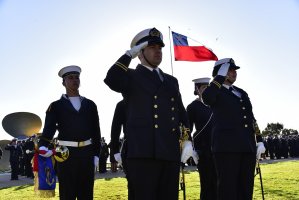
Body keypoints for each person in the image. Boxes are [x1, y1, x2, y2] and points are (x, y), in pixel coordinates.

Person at [104, 27, 193, 200]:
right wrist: (128, 54)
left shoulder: (171, 81)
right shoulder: (130, 76)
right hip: (142, 154)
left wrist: (188, 140)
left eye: (160, 48)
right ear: (140, 53)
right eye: (152, 47)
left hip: (169, 152)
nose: (158, 51)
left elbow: (181, 112)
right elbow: (111, 79)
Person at [202, 58, 266, 200]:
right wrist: (218, 77)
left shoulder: (241, 92)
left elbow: (251, 118)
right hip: (226, 149)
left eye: (234, 70)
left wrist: (259, 140)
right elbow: (207, 98)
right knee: (228, 190)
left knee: (246, 189)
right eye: (230, 70)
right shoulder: (214, 91)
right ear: (221, 73)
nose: (234, 73)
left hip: (247, 147)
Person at [39, 65, 101, 200]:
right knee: (68, 193)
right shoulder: (55, 106)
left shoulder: (90, 104)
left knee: (86, 194)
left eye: (77, 77)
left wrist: (96, 153)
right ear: (63, 82)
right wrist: (43, 145)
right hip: (65, 155)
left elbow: (96, 130)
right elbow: (49, 128)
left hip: (86, 154)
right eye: (70, 78)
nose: (75, 80)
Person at [186, 77, 217, 200]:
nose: (206, 90)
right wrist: (190, 148)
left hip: (218, 149)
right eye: (203, 88)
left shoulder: (215, 105)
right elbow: (187, 128)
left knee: (220, 184)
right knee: (207, 184)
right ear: (197, 90)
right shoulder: (192, 107)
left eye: (207, 87)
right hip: (203, 151)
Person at [109, 99, 134, 199]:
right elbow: (115, 128)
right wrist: (114, 152)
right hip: (132, 150)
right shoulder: (122, 104)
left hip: (154, 148)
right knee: (133, 187)